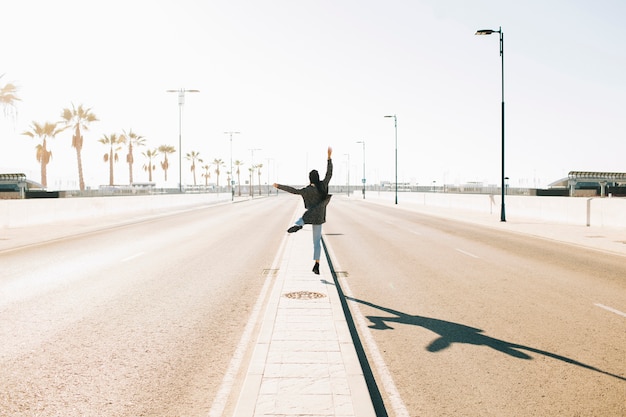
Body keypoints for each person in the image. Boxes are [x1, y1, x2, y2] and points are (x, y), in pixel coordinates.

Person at [273, 146, 333, 275]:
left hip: (310, 215)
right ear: (317, 177)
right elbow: (329, 173)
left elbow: (293, 190)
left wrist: (279, 186)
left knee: (302, 219)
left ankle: (297, 225)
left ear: (309, 178)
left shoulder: (307, 190)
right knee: (317, 242)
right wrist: (329, 158)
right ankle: (317, 264)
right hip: (319, 216)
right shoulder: (323, 186)